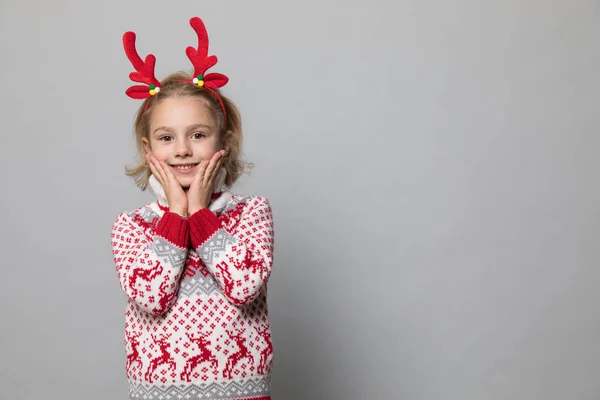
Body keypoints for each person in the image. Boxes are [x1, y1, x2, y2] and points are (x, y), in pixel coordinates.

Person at [110, 16, 274, 400]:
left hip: (241, 392)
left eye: (197, 135)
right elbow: (152, 296)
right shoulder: (131, 226)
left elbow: (245, 286)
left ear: (225, 141)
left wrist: (200, 214)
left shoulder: (251, 212)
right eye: (167, 138)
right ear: (148, 149)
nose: (182, 150)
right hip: (158, 392)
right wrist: (176, 217)